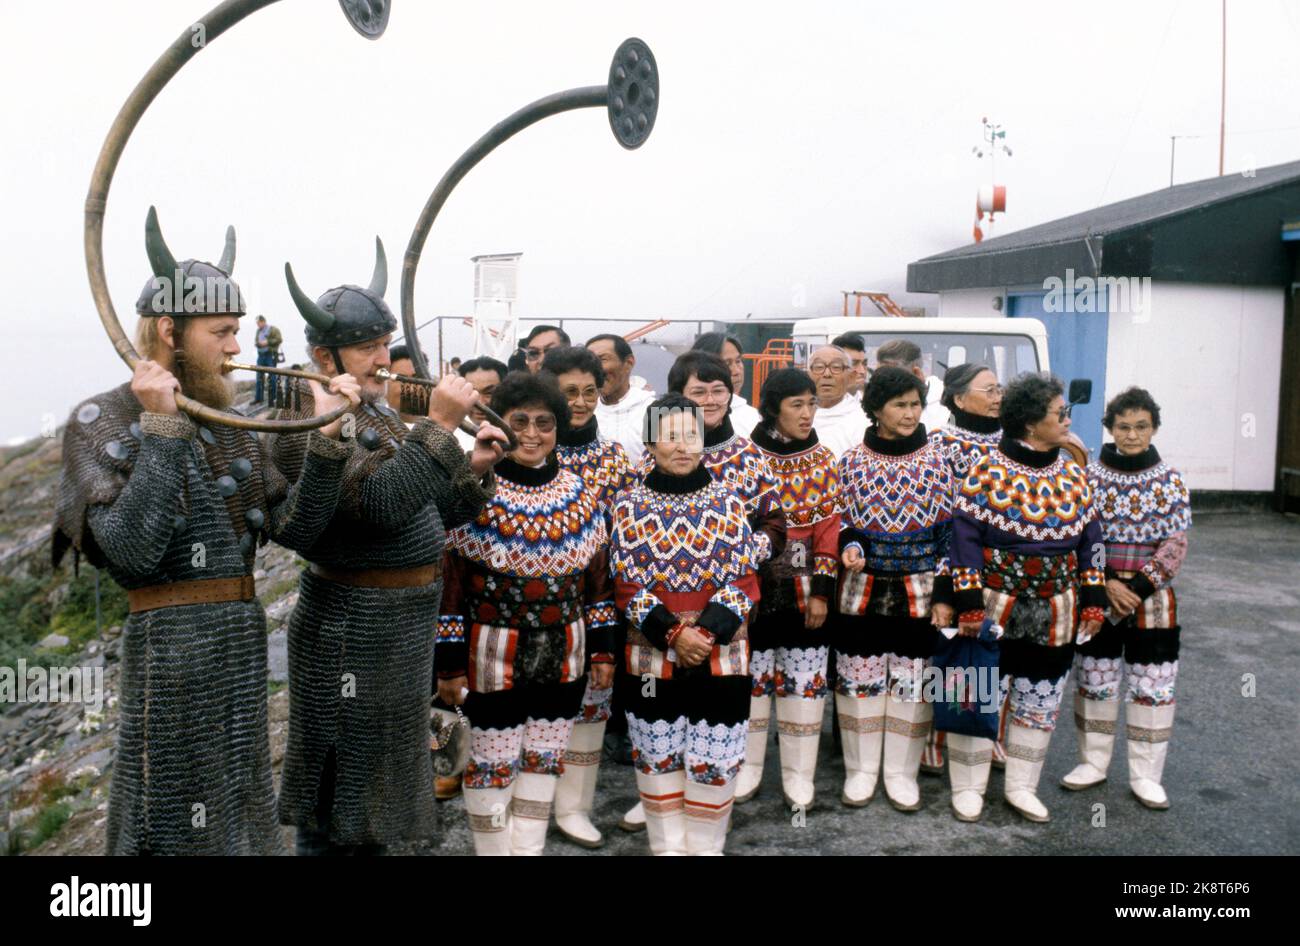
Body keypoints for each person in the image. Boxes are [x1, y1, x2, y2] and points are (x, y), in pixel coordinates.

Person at [53, 208, 359, 854]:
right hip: (170, 663)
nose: (236, 349)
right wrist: (162, 429)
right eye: (222, 332)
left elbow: (294, 528)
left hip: (240, 654)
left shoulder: (226, 421)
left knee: (239, 824)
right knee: (167, 830)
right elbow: (134, 554)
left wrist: (330, 441)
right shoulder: (99, 420)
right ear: (169, 330)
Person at [270, 237, 507, 854]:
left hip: (396, 626)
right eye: (367, 347)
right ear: (325, 354)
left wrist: (474, 467)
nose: (382, 358)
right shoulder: (304, 412)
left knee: (381, 785)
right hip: (348, 626)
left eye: (383, 343)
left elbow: (437, 507)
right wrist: (441, 424)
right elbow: (376, 508)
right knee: (339, 786)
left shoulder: (371, 408)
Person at [436, 372, 617, 855]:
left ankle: (530, 849)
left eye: (545, 422)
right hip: (490, 658)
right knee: (491, 767)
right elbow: (450, 587)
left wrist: (603, 652)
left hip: (567, 657)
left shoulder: (582, 496)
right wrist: (448, 665)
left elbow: (597, 586)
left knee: (543, 762)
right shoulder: (474, 492)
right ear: (498, 424)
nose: (533, 434)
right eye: (520, 422)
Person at [949, 372, 1105, 823]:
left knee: (1039, 699)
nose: (1067, 420)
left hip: (1057, 609)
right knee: (979, 693)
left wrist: (1092, 598)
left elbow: (1091, 541)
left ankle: (1021, 786)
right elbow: (964, 542)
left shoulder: (1074, 475)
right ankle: (969, 787)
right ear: (1031, 423)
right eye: (1060, 414)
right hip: (995, 606)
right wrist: (969, 604)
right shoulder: (987, 473)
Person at [610, 394, 760, 854]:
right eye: (669, 436)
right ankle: (667, 848)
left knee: (715, 757)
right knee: (659, 756)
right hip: (653, 659)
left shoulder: (730, 503)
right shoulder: (628, 504)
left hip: (723, 656)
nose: (682, 447)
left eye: (690, 436)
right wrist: (676, 635)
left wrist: (706, 633)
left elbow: (746, 579)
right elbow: (624, 583)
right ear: (650, 445)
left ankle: (707, 847)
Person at [834, 367, 953, 812]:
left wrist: (945, 595)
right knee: (859, 682)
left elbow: (949, 536)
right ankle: (861, 771)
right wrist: (850, 544)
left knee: (912, 683)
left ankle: (901, 773)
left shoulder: (939, 462)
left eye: (915, 404)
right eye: (899, 404)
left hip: (919, 592)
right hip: (861, 591)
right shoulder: (851, 462)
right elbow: (842, 521)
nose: (909, 413)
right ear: (876, 409)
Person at [1068, 387, 1190, 809]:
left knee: (1152, 686)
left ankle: (1146, 776)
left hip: (1151, 600)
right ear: (1110, 428)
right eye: (1124, 426)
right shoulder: (1089, 476)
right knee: (1095, 679)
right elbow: (1081, 537)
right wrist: (1104, 584)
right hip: (1099, 594)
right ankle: (1093, 764)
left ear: (1154, 427)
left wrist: (1135, 589)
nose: (1133, 434)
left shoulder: (1170, 479)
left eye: (1141, 426)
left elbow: (1174, 546)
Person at [542, 345, 636, 848]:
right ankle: (527, 804)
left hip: (596, 604)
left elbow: (627, 535)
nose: (578, 403)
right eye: (567, 393)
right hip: (534, 606)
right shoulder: (529, 448)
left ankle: (574, 807)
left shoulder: (616, 458)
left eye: (587, 391)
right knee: (536, 708)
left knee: (590, 707)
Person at [738, 369, 842, 808]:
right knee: (752, 681)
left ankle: (799, 775)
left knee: (804, 680)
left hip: (804, 592)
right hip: (755, 591)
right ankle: (749, 767)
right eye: (796, 404)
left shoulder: (823, 458)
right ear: (773, 408)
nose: (807, 412)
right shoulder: (746, 456)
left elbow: (829, 528)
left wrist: (821, 591)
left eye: (812, 403)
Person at [922, 363, 1008, 778]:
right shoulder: (941, 445)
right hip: (953, 564)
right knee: (950, 652)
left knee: (991, 654)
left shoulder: (1013, 443)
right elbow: (943, 522)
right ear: (958, 398)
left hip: (1001, 572)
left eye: (999, 389)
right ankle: (938, 736)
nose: (997, 397)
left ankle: (987, 735)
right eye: (988, 390)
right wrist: (945, 585)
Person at [587, 333, 656, 465]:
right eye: (589, 361)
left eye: (602, 359)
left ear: (628, 363)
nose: (595, 369)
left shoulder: (654, 411)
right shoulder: (582, 412)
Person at [692, 331, 763, 437]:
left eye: (738, 361)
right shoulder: (675, 414)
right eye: (727, 363)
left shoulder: (753, 418)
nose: (736, 371)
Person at [808, 345, 868, 460]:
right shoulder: (792, 416)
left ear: (850, 376)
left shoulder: (863, 421)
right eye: (819, 367)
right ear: (808, 374)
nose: (827, 374)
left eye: (836, 367)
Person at [876, 339, 950, 431]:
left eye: (890, 376)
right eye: (878, 375)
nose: (880, 381)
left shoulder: (947, 409)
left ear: (916, 372)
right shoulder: (871, 405)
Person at [453, 356, 508, 452]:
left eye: (489, 393)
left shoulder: (522, 433)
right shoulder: (450, 435)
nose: (480, 403)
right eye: (471, 392)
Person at [253, 314, 283, 405]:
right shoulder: (258, 331)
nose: (257, 325)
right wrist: (258, 344)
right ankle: (258, 398)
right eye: (257, 323)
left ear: (263, 321)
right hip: (260, 355)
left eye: (258, 323)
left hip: (270, 355)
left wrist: (267, 342)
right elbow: (256, 341)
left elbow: (279, 339)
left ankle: (273, 399)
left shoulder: (273, 329)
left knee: (272, 377)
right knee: (259, 377)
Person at [832, 332, 868, 398]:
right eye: (854, 363)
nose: (862, 371)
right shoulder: (817, 405)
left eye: (864, 364)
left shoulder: (870, 403)